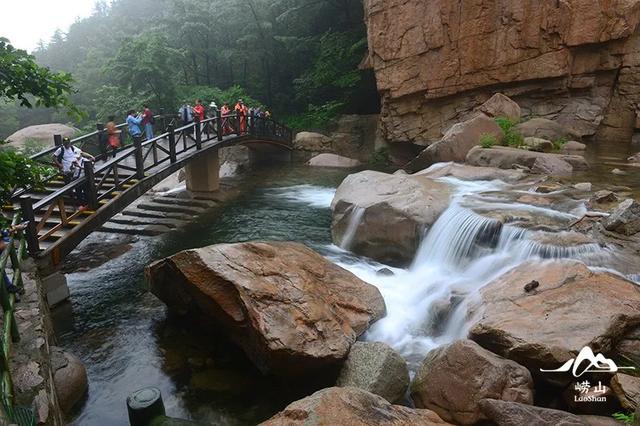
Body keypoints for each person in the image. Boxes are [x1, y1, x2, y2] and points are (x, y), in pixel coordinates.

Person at [52, 137, 95, 211]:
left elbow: (81, 153)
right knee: (71, 186)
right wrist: (59, 165)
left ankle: (83, 203)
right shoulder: (61, 150)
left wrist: (90, 157)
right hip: (67, 170)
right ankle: (75, 200)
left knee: (81, 188)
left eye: (68, 143)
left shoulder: (74, 149)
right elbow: (54, 156)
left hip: (76, 172)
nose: (67, 145)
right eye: (65, 143)